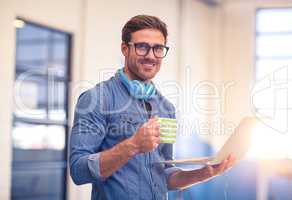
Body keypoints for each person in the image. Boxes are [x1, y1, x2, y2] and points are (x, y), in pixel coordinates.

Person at [69, 14, 235, 200]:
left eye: (158, 48)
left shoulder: (166, 108)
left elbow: (164, 174)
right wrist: (133, 145)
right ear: (125, 48)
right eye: (142, 47)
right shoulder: (97, 99)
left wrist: (205, 173)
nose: (150, 56)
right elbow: (78, 170)